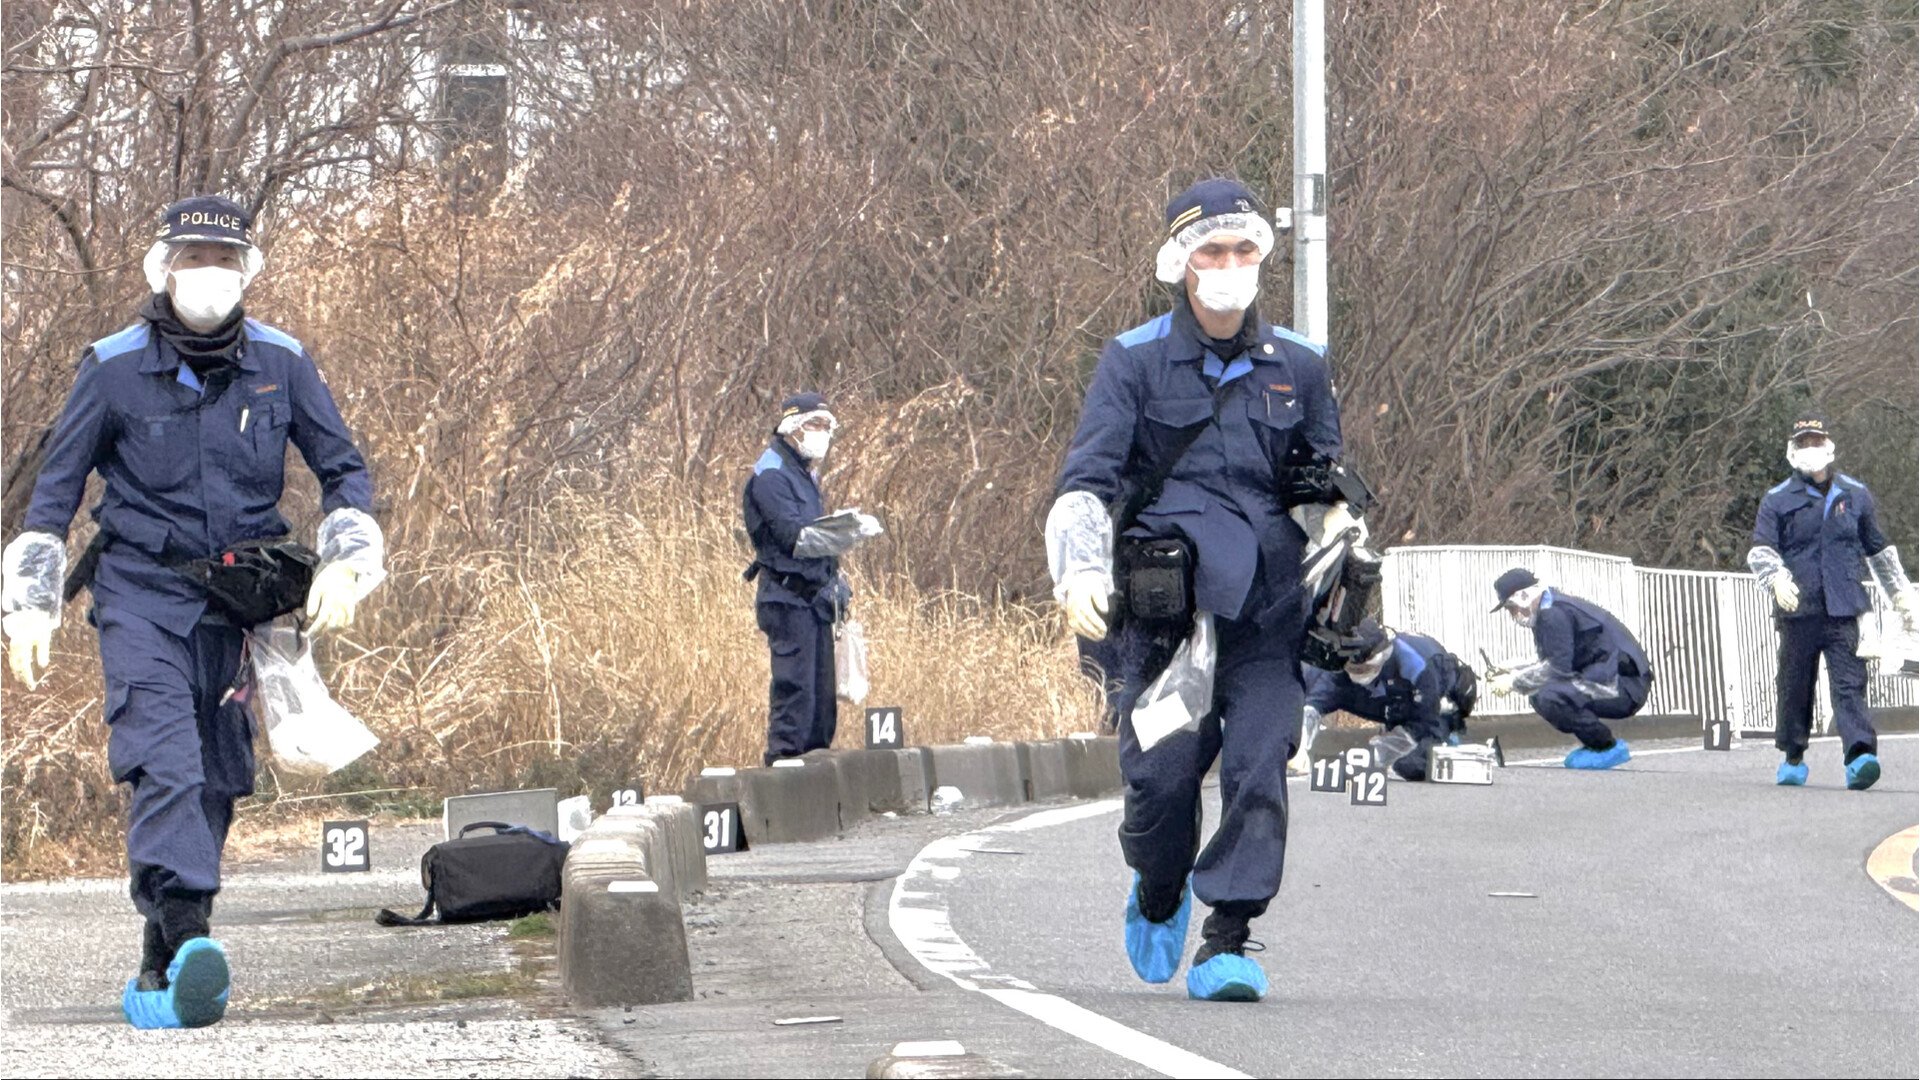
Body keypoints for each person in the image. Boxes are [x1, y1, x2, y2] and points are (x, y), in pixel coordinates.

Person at [0, 195, 384, 1028]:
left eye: (223, 261)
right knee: (163, 758)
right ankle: (186, 936)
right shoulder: (111, 367)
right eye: (192, 260)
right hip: (142, 593)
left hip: (240, 603)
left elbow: (345, 472)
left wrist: (350, 560)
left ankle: (160, 964)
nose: (206, 276)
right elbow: (53, 495)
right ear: (163, 270)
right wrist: (31, 600)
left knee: (215, 776)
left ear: (246, 272)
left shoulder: (284, 363)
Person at [1045, 177, 1359, 1002]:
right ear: (1181, 262)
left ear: (1262, 257)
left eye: (1243, 250)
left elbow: (1323, 487)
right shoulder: (1134, 359)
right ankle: (1158, 887)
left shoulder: (1300, 364)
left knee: (1261, 765)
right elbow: (1086, 480)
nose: (1227, 265)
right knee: (1163, 785)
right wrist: (1078, 567)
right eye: (1210, 251)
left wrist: (1342, 557)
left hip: (1267, 612)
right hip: (1165, 618)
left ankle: (1230, 936)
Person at [1747, 412, 1916, 789]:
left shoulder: (1854, 494)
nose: (1811, 450)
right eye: (1804, 443)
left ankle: (1860, 755)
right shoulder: (1777, 499)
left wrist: (1901, 595)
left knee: (1849, 684)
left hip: (1844, 608)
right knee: (1794, 684)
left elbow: (1878, 550)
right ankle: (1793, 755)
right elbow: (1762, 549)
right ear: (1793, 450)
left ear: (1828, 446)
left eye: (1816, 442)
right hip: (1798, 609)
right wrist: (1775, 580)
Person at [741, 393, 881, 766]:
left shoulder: (803, 473)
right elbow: (796, 538)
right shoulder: (770, 474)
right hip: (787, 600)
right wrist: (848, 533)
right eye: (814, 425)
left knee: (821, 702)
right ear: (793, 427)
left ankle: (816, 776)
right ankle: (784, 776)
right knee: (796, 693)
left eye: (825, 427)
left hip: (815, 602)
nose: (821, 434)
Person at [1486, 568, 1649, 770]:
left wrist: (1514, 681)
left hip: (1623, 685)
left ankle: (1605, 746)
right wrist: (1514, 668)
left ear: (1524, 596)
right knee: (1542, 693)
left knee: (1549, 696)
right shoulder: (1554, 608)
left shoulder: (1553, 615)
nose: (1513, 615)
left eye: (1511, 608)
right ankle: (1596, 744)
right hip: (1619, 681)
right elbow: (1559, 660)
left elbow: (1557, 669)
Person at [1296, 620, 1477, 781]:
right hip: (1388, 699)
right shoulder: (1343, 662)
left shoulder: (1417, 667)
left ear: (1382, 655)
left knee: (1409, 764)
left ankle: (1447, 741)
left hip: (1433, 705)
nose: (1359, 673)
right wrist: (1298, 744)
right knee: (1314, 675)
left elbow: (1422, 724)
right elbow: (1315, 702)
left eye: (1366, 667)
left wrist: (1374, 756)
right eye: (1353, 668)